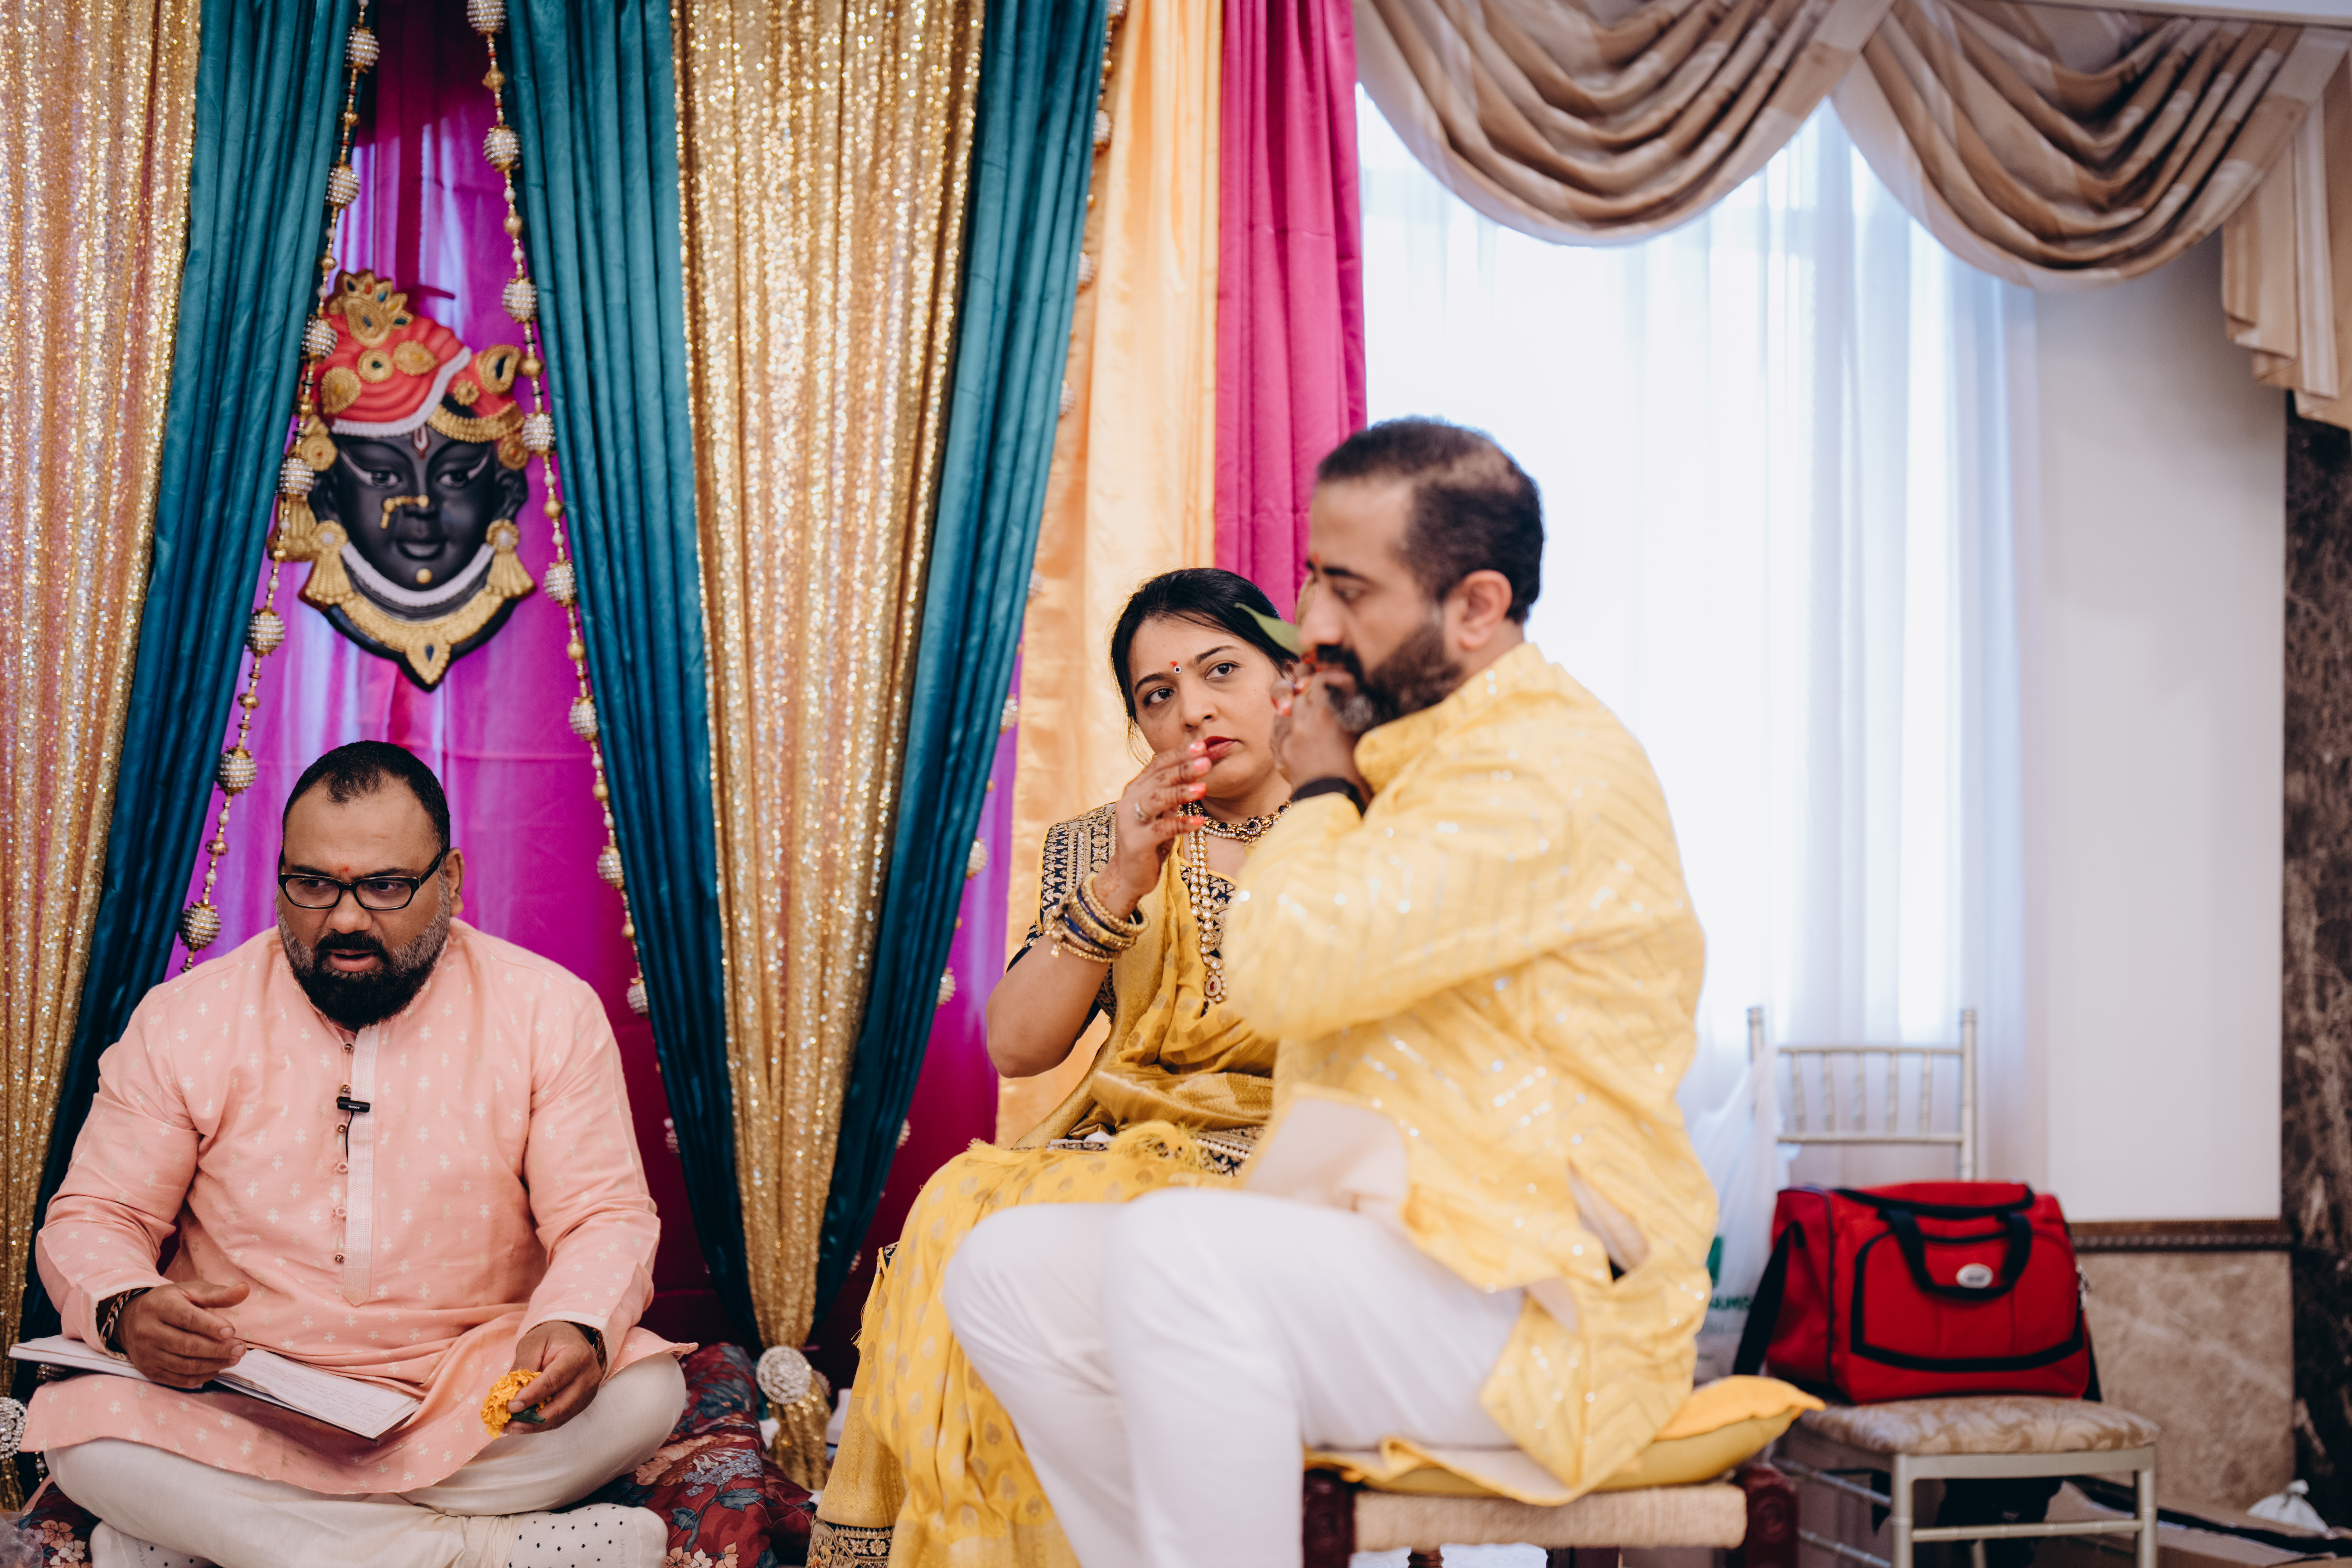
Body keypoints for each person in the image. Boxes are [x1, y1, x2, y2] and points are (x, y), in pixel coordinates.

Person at [940, 419, 1719, 1568]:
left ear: (1476, 606)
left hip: (1542, 1293)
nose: (1310, 625)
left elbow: (1281, 971)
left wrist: (1315, 790)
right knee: (1004, 1274)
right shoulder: (1405, 754)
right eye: (1312, 579)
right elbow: (1018, 1040)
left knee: (1177, 1253)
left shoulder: (1532, 770)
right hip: (1387, 1242)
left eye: (1348, 590)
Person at [25, 741, 686, 1568]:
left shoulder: (546, 1011)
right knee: (84, 1438)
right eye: (312, 884)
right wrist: (128, 1307)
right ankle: (474, 1553)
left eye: (384, 886)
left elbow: (602, 1214)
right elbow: (98, 1214)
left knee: (644, 1392)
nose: (343, 919)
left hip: (466, 1385)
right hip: (243, 1390)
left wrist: (571, 1324)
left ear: (450, 879)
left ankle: (229, 1536)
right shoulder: (187, 1018)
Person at [810, 568, 1299, 1567]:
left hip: (1300, 1154)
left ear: (1288, 680)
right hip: (1125, 1147)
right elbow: (1018, 1045)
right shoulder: (1103, 843)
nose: (1192, 710)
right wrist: (1123, 875)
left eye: (1221, 670)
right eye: (1157, 694)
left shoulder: (1362, 831)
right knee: (959, 1206)